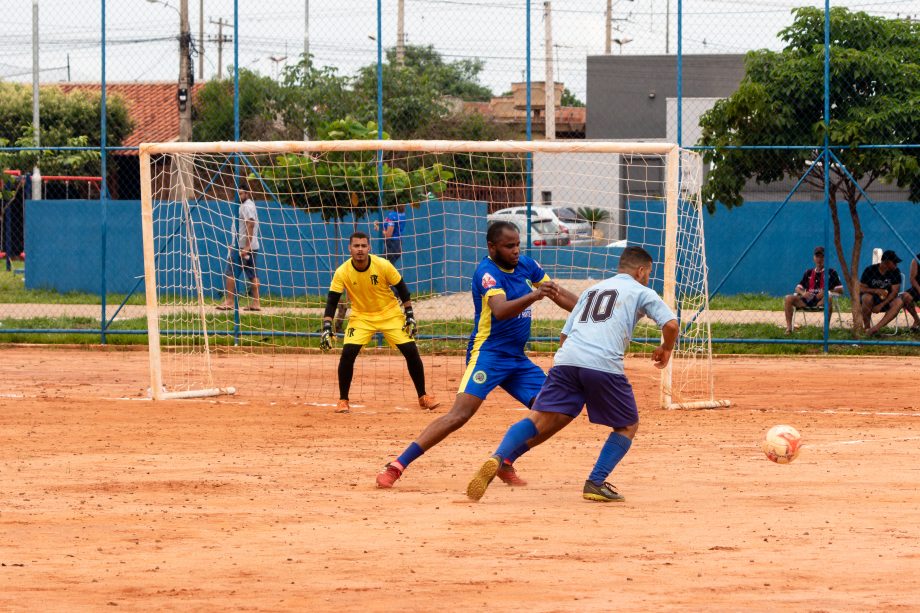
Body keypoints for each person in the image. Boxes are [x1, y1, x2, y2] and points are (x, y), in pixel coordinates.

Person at [465, 246, 678, 503]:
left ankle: (499, 456)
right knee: (628, 425)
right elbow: (671, 324)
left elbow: (564, 336)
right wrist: (666, 348)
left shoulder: (592, 290)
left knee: (540, 418)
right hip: (602, 363)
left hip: (566, 360)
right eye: (648, 273)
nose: (648, 278)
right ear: (641, 271)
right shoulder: (641, 290)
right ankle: (595, 482)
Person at [375, 220, 579, 489]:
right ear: (492, 246)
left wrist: (589, 310)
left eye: (517, 244)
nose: (516, 250)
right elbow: (501, 310)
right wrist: (534, 296)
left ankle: (505, 461)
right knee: (459, 416)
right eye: (509, 246)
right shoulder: (486, 273)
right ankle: (397, 465)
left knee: (558, 410)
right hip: (488, 355)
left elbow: (556, 293)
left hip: (517, 360)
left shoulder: (527, 265)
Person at [320, 231, 439, 414]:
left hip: (389, 314)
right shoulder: (342, 271)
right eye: (356, 246)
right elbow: (332, 301)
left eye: (363, 246)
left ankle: (423, 397)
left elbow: (402, 288)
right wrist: (327, 326)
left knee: (410, 351)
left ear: (369, 247)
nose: (360, 250)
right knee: (348, 353)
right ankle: (343, 400)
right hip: (361, 317)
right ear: (349, 248)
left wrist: (409, 314)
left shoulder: (383, 265)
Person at [782, 246, 844, 335]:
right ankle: (788, 329)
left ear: (825, 258)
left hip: (821, 301)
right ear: (814, 258)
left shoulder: (831, 272)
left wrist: (826, 291)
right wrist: (803, 293)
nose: (819, 259)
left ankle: (825, 330)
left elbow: (841, 290)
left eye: (822, 257)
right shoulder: (808, 272)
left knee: (829, 298)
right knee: (788, 298)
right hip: (807, 300)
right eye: (817, 256)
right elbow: (797, 288)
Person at [218, 189, 261, 311]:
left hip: (243, 248)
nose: (238, 195)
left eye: (241, 193)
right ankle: (256, 303)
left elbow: (250, 225)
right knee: (252, 275)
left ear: (247, 193)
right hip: (248, 246)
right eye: (237, 193)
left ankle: (230, 301)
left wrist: (246, 247)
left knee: (230, 272)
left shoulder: (247, 206)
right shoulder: (245, 205)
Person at [861, 250, 903, 335]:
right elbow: (860, 288)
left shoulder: (895, 272)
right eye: (894, 263)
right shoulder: (870, 270)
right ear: (886, 262)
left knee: (899, 302)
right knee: (866, 297)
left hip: (887, 300)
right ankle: (867, 327)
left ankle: (875, 329)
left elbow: (894, 292)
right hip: (871, 300)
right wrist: (875, 290)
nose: (896, 265)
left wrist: (881, 305)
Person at [900, 253, 920, 331]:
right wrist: (919, 289)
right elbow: (912, 279)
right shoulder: (916, 259)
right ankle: (917, 320)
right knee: (905, 296)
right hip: (917, 288)